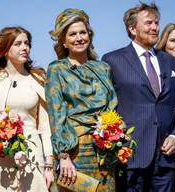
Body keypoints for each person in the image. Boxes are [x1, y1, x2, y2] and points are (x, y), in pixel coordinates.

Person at [102, 3, 175, 192]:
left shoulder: (170, 61)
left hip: (165, 160)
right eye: (149, 22)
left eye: (156, 22)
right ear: (132, 29)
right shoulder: (112, 60)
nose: (155, 27)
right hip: (131, 157)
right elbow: (106, 108)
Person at [45, 8, 118, 191]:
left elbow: (112, 107)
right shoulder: (56, 70)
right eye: (72, 34)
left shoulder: (103, 68)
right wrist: (63, 155)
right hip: (74, 151)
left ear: (89, 36)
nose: (79, 38)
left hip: (104, 151)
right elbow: (56, 113)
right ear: (64, 41)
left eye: (82, 32)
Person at [0, 26, 54, 191]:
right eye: (18, 44)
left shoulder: (38, 78)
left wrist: (49, 165)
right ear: (5, 49)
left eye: (27, 43)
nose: (24, 48)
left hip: (32, 153)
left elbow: (45, 126)